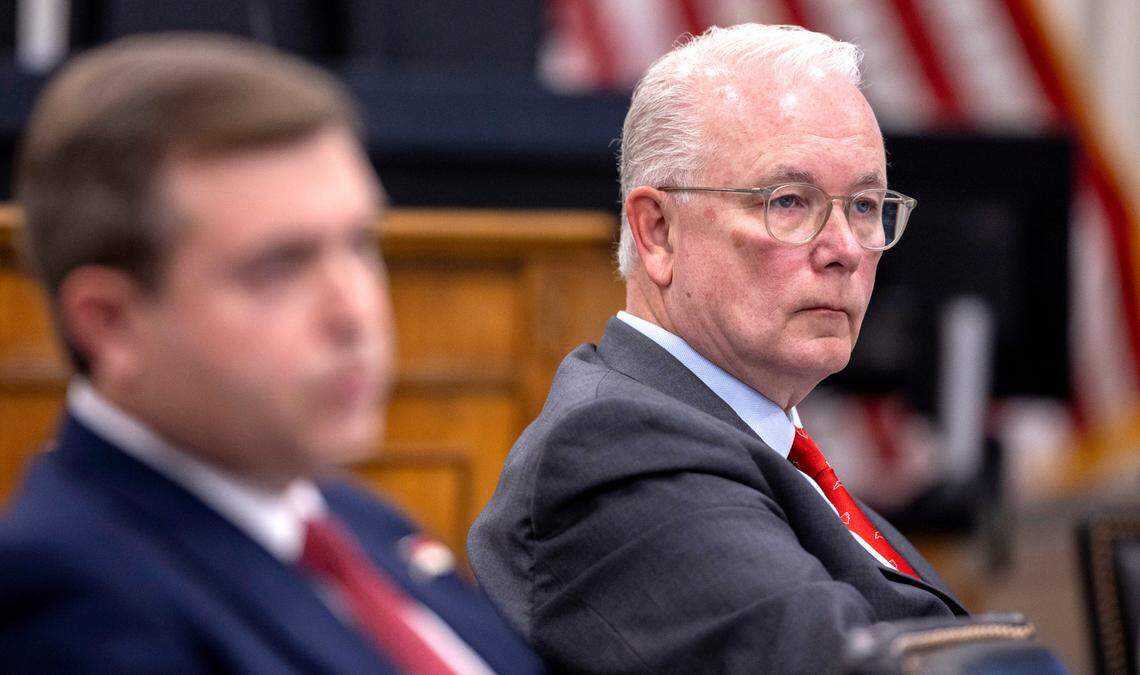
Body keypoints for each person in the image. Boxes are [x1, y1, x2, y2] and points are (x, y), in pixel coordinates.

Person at [0, 34, 542, 674]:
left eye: (360, 244)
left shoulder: (350, 519)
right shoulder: (76, 601)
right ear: (111, 325)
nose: (354, 313)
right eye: (278, 268)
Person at [469, 23, 968, 674]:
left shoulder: (754, 445)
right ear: (657, 232)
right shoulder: (613, 449)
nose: (846, 247)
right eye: (789, 201)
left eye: (866, 205)